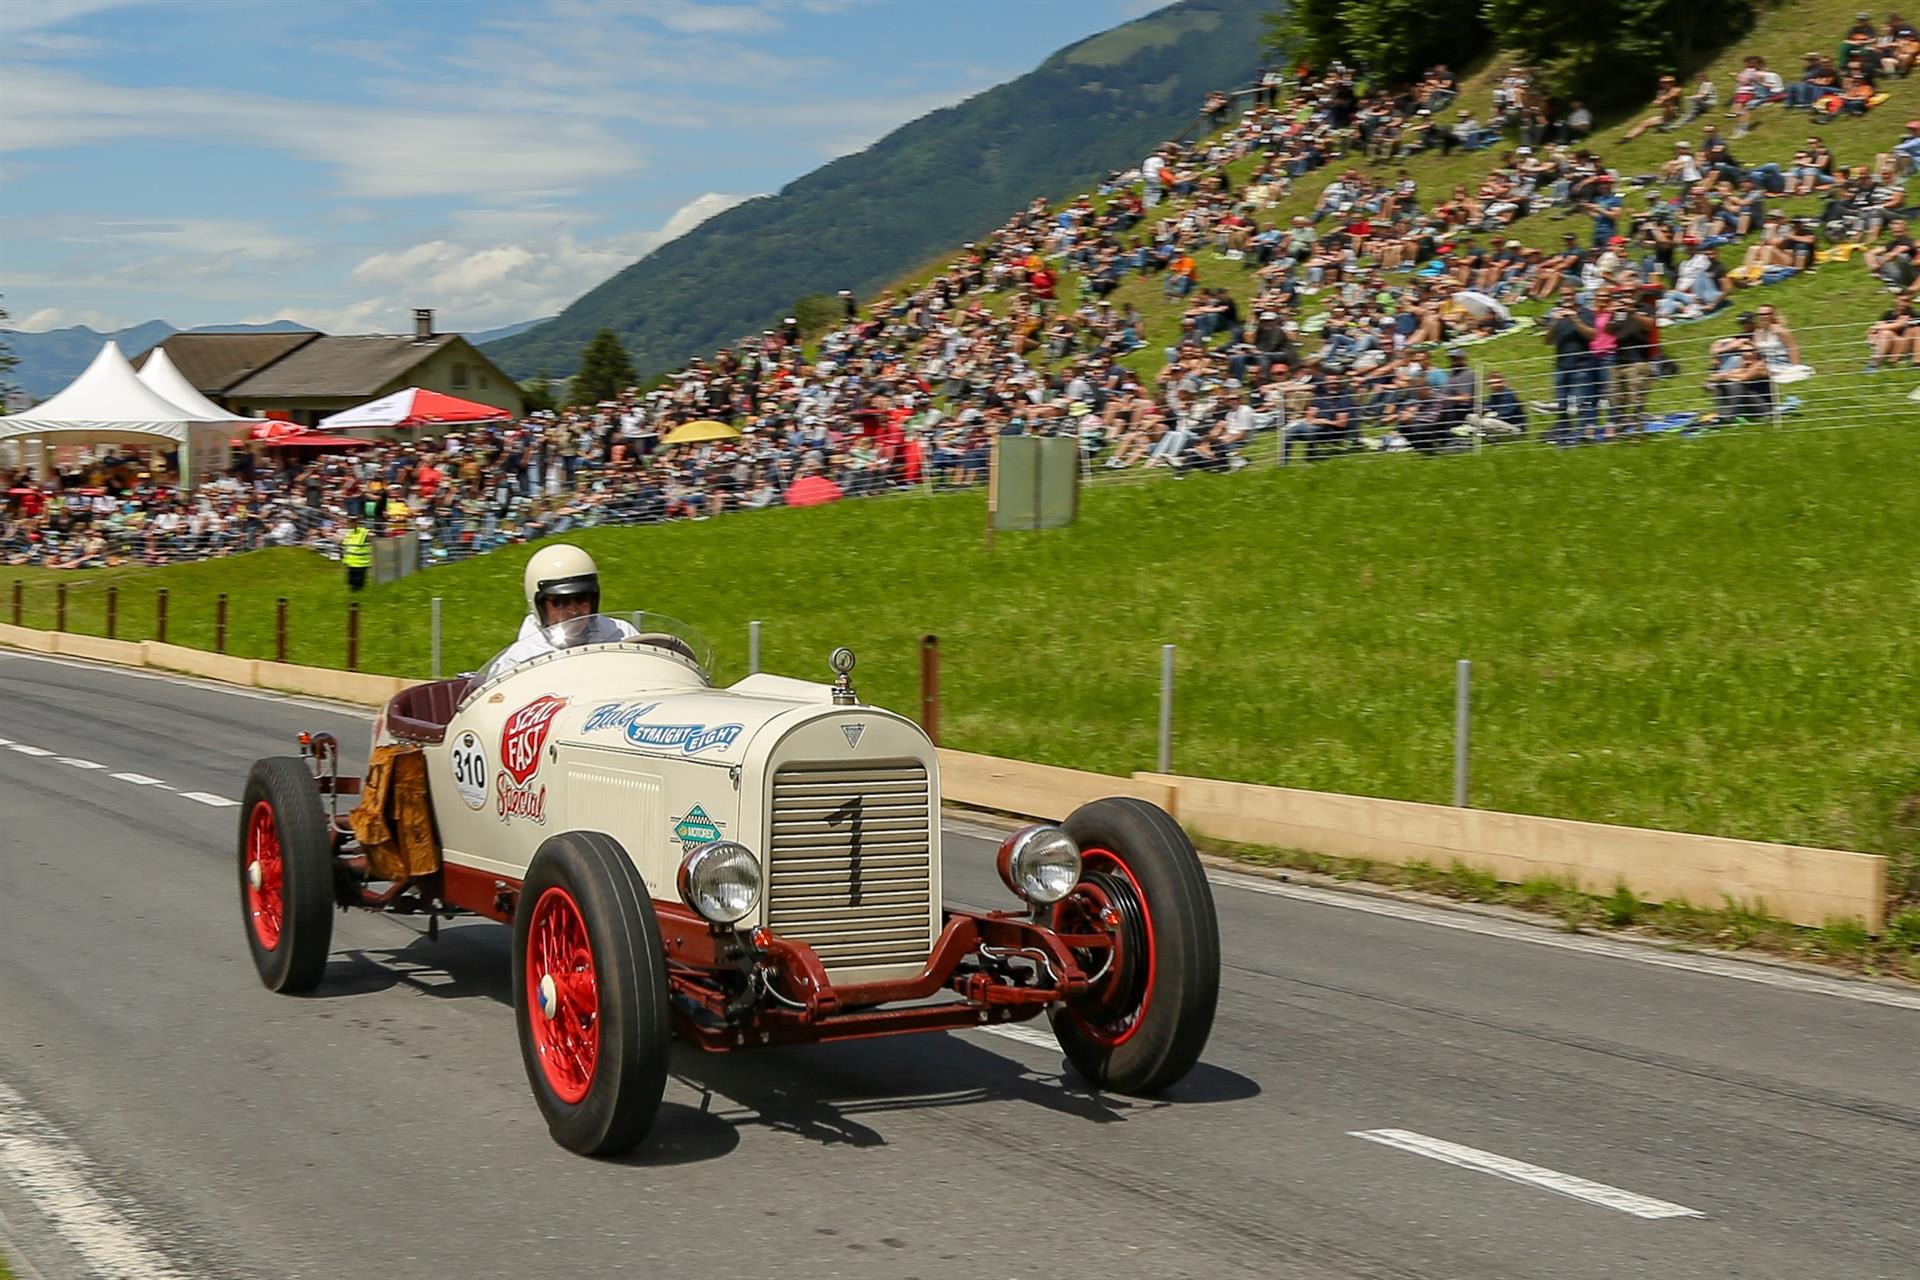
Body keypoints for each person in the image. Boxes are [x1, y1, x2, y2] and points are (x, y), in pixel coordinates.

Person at [481, 544, 638, 682]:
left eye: (582, 598)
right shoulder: (517, 664)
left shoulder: (622, 635)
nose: (573, 610)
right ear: (538, 604)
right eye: (560, 601)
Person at [341, 514, 372, 592]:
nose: (351, 524)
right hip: (350, 562)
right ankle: (355, 593)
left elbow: (371, 536)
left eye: (354, 521)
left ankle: (359, 593)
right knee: (351, 581)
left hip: (360, 563)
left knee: (358, 583)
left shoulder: (364, 532)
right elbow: (346, 545)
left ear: (358, 522)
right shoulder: (349, 532)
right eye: (350, 522)